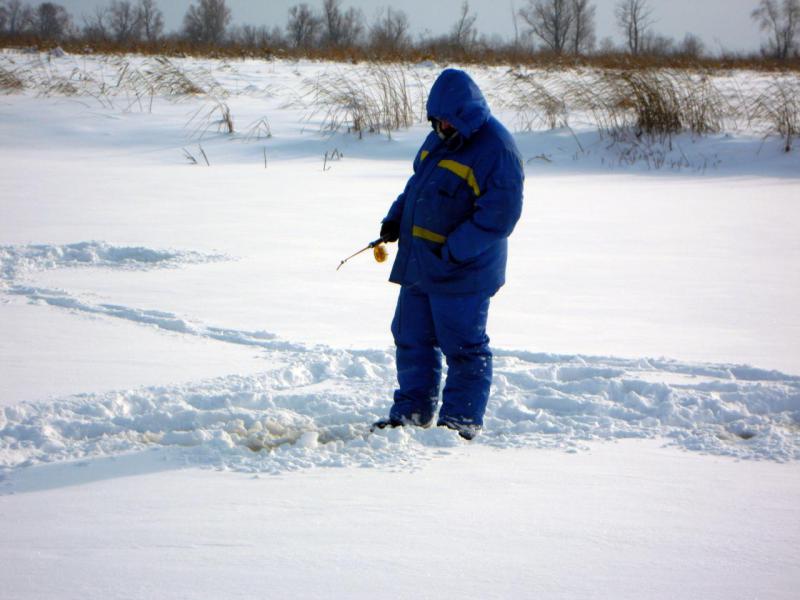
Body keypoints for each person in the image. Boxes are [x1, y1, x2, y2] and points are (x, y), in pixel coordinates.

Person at [373, 69, 524, 440]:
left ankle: (460, 422)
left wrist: (453, 251)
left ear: (464, 114)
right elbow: (418, 185)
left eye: (447, 119)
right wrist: (396, 219)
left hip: (463, 272)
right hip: (420, 263)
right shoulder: (439, 139)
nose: (440, 125)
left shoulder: (496, 150)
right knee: (411, 338)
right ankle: (411, 412)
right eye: (435, 119)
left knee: (463, 347)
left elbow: (498, 217)